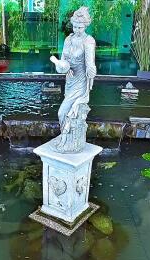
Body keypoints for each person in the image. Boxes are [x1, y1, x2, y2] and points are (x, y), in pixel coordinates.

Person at [50, 6, 96, 153]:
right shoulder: (68, 39)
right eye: (75, 26)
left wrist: (92, 71)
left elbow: (90, 64)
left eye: (80, 27)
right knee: (65, 112)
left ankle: (68, 139)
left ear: (85, 26)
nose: (76, 29)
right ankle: (66, 138)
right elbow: (63, 61)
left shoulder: (88, 41)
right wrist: (62, 66)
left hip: (80, 82)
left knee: (62, 112)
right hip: (69, 80)